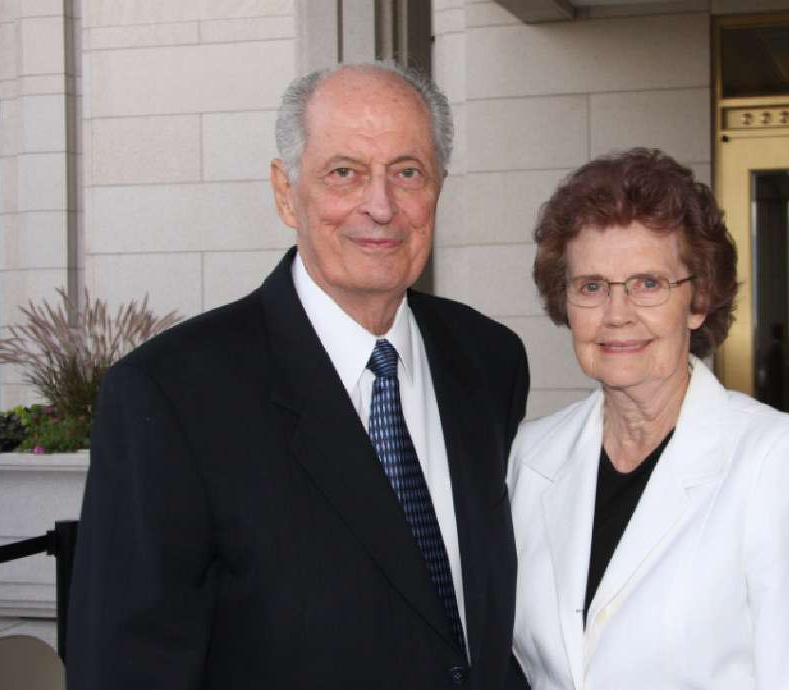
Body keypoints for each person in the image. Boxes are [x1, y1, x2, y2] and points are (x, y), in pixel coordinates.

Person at [66, 63, 531, 690]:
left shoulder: (488, 360)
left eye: (407, 172)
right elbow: (125, 671)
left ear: (438, 188)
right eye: (344, 173)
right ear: (286, 192)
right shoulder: (169, 396)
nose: (380, 205)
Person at [508, 148, 789, 689]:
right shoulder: (529, 457)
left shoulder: (778, 459)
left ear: (698, 302)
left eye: (648, 283)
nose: (617, 313)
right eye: (592, 287)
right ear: (566, 304)